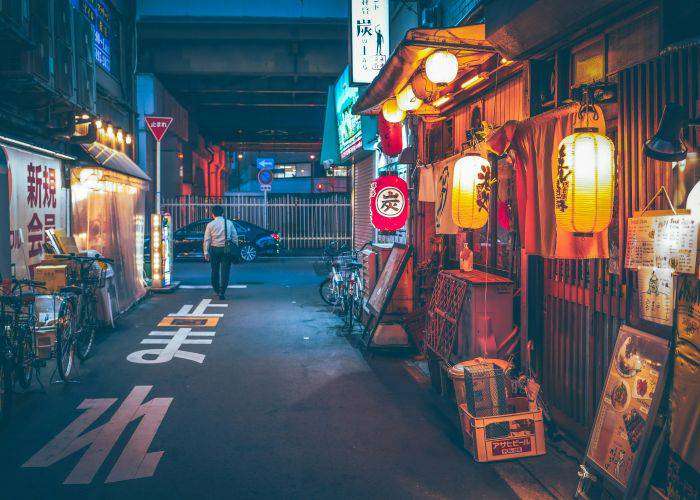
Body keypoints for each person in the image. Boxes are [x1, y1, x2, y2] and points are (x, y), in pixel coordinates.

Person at [203, 206, 238, 300]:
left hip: (214, 250)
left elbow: (207, 239)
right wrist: (235, 248)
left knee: (214, 271)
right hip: (226, 250)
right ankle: (222, 292)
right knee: (225, 272)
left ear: (212, 214)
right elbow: (235, 237)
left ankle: (217, 290)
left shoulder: (210, 224)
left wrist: (206, 252)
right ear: (222, 214)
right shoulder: (229, 223)